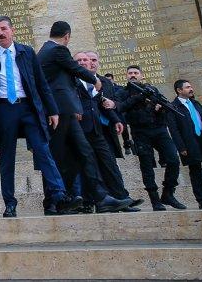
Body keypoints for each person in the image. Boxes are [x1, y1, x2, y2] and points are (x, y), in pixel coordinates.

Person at [0, 16, 80, 217]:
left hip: (28, 108)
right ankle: (10, 203)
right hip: (3, 109)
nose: (0, 33)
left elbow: (41, 84)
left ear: (12, 30)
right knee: (7, 157)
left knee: (42, 149)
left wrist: (52, 110)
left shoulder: (26, 52)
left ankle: (59, 193)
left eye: (3, 29)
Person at [38, 21, 132, 214]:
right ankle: (53, 202)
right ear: (67, 36)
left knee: (83, 152)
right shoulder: (57, 50)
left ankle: (100, 197)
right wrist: (95, 80)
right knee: (58, 157)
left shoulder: (46, 51)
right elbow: (76, 69)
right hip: (59, 111)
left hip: (67, 112)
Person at [73, 52, 142, 212]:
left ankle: (122, 199)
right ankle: (91, 201)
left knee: (109, 163)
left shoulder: (98, 82)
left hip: (99, 129)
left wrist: (116, 119)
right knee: (89, 166)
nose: (84, 62)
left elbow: (102, 102)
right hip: (81, 129)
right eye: (80, 60)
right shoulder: (72, 80)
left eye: (87, 60)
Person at [117, 65, 185, 211]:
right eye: (130, 73)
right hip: (140, 131)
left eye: (136, 73)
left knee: (173, 159)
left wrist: (159, 109)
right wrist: (139, 96)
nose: (133, 75)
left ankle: (168, 193)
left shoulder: (152, 89)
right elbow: (121, 107)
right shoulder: (123, 92)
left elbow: (164, 106)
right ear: (126, 76)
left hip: (159, 129)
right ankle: (155, 200)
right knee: (147, 166)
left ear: (141, 75)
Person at [167, 80, 202, 209]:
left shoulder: (196, 104)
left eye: (191, 86)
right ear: (179, 90)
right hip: (190, 142)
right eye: (187, 87)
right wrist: (181, 147)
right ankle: (201, 201)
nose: (191, 89)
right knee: (196, 172)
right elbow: (174, 130)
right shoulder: (173, 107)